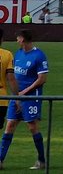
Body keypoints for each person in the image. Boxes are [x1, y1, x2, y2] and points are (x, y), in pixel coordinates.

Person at [1, 30, 48, 170]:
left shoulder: (39, 56)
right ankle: (0, 160)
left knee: (32, 126)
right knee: (10, 125)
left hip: (31, 97)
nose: (16, 40)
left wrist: (24, 92)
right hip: (16, 96)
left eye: (18, 38)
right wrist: (17, 94)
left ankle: (41, 160)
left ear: (22, 39)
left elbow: (42, 79)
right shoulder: (18, 53)